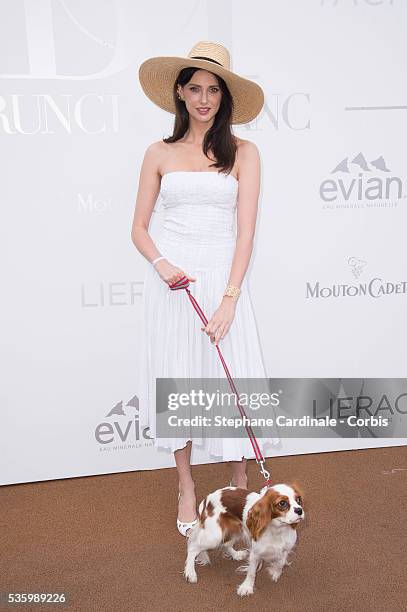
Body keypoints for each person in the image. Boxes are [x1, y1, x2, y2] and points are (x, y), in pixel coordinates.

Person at [132, 41, 280, 537]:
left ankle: (241, 486)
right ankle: (186, 485)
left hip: (223, 278)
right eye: (194, 88)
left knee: (231, 381)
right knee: (177, 379)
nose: (203, 98)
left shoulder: (244, 152)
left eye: (213, 90)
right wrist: (162, 264)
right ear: (179, 91)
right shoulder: (158, 152)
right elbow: (138, 228)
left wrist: (230, 299)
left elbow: (246, 234)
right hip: (174, 283)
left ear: (224, 97)